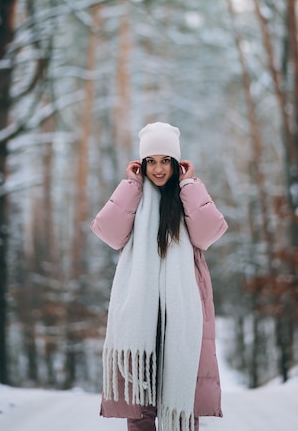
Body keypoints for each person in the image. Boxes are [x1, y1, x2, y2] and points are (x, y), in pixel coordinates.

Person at [91, 122, 229, 431]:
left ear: (176, 162)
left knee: (181, 410)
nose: (157, 169)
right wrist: (130, 185)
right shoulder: (136, 195)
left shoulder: (185, 195)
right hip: (143, 319)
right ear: (141, 164)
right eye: (150, 161)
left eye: (165, 160)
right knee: (141, 411)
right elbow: (108, 232)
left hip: (181, 316)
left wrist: (190, 185)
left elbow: (210, 233)